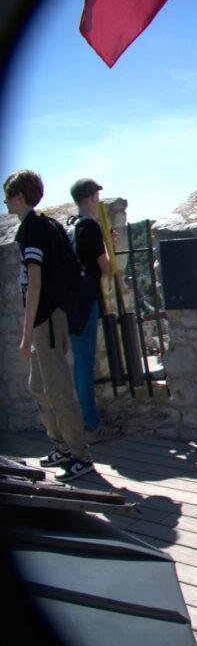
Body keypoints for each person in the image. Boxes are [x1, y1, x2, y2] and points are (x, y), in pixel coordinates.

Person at [4, 169, 93, 481]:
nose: (5, 202)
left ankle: (81, 455)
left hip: (47, 320)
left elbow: (35, 283)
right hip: (46, 319)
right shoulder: (37, 226)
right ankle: (62, 446)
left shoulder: (32, 230)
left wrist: (26, 334)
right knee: (39, 388)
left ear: (20, 196)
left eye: (8, 196)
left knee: (58, 390)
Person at [68, 178, 118, 442]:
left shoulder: (72, 225)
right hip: (86, 300)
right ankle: (91, 425)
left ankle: (88, 419)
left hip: (72, 302)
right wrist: (108, 245)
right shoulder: (89, 226)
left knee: (81, 361)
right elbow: (106, 268)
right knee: (84, 364)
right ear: (93, 197)